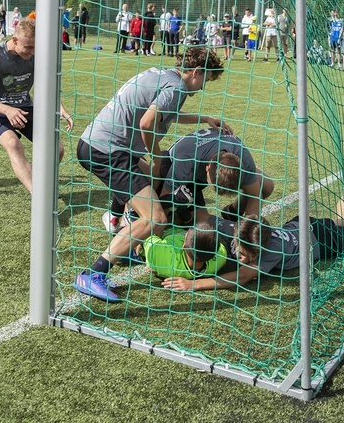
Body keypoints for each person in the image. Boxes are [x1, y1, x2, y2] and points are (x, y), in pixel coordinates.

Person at [74, 47, 230, 301]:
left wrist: (204, 118)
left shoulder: (162, 74)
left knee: (158, 181)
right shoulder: (178, 87)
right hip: (109, 150)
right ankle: (94, 272)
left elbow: (164, 113)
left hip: (98, 143)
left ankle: (125, 233)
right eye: (206, 80)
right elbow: (147, 123)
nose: (203, 87)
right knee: (155, 217)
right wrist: (155, 153)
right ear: (197, 71)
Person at [163, 163, 344, 291]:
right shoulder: (243, 229)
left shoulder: (270, 254)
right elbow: (209, 222)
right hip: (304, 227)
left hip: (321, 240)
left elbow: (240, 278)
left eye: (245, 255)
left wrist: (193, 284)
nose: (241, 257)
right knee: (341, 222)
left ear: (258, 252)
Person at [0, 18, 73, 193]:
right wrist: (7, 110)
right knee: (13, 145)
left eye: (36, 47)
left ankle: (42, 182)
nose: (33, 51)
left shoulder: (37, 56)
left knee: (57, 149)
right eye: (28, 47)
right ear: (14, 40)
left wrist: (62, 110)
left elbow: (47, 88)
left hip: (26, 108)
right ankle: (39, 196)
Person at [159, 128, 274, 226]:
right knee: (200, 225)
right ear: (207, 169)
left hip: (201, 162)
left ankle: (231, 213)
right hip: (171, 168)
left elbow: (255, 196)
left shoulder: (242, 156)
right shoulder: (184, 163)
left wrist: (247, 233)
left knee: (266, 186)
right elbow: (164, 200)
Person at [140, 219, 228, 280]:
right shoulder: (220, 258)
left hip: (164, 228)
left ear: (184, 245)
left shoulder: (164, 257)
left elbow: (145, 235)